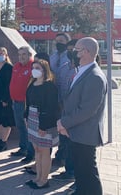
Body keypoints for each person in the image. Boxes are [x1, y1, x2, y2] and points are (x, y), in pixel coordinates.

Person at [57, 37, 107, 195]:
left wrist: (64, 123)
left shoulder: (94, 77)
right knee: (81, 171)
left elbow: (87, 110)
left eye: (76, 50)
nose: (72, 53)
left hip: (85, 134)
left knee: (88, 173)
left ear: (86, 52)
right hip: (76, 132)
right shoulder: (82, 71)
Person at [24, 60, 60, 190]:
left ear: (44, 70)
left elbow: (51, 108)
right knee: (37, 151)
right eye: (33, 67)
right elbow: (27, 103)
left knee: (44, 151)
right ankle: (37, 177)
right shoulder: (32, 84)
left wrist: (43, 126)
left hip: (44, 122)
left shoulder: (49, 86)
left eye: (37, 68)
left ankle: (44, 180)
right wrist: (25, 117)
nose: (34, 70)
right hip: (32, 120)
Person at [52, 39, 78, 180]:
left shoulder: (80, 70)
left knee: (72, 143)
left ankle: (72, 172)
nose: (70, 53)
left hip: (73, 113)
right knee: (64, 141)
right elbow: (59, 86)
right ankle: (66, 167)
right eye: (68, 50)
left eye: (73, 50)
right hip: (61, 110)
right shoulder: (64, 66)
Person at [9, 46, 34, 163]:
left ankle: (30, 152)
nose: (21, 57)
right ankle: (23, 148)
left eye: (24, 54)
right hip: (16, 101)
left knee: (28, 128)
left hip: (26, 103)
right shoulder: (16, 66)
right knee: (20, 126)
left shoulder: (33, 67)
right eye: (19, 54)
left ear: (29, 55)